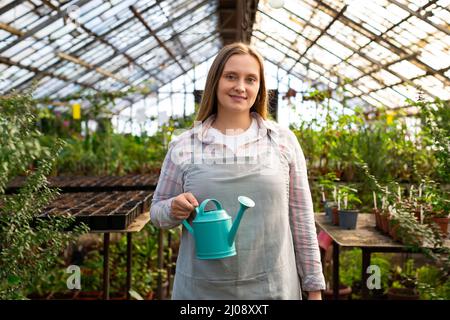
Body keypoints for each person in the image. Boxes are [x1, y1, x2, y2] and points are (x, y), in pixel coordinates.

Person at [150, 42, 325, 300]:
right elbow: (157, 212)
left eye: (250, 79)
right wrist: (172, 208)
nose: (240, 87)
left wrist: (314, 289)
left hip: (273, 288)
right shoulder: (185, 145)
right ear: (215, 82)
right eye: (231, 76)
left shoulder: (283, 141)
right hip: (203, 292)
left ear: (259, 88)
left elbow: (302, 220)